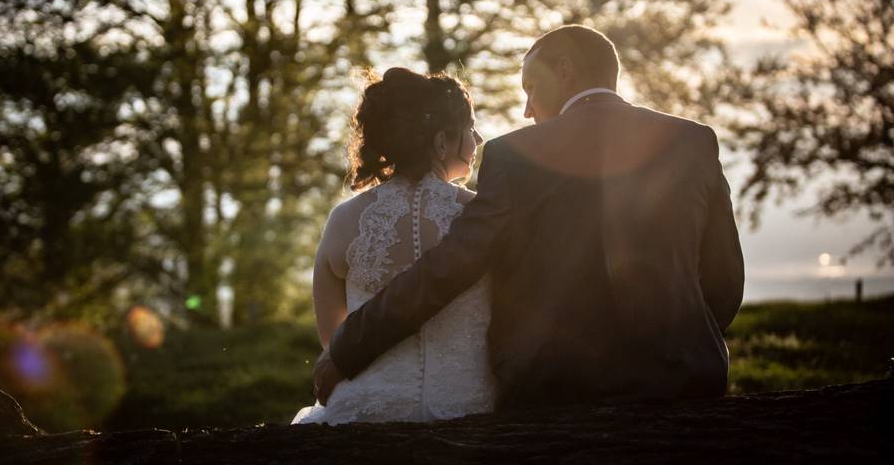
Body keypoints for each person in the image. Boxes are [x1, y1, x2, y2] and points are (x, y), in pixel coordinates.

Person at [314, 24, 744, 409]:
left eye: (531, 89)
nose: (526, 110)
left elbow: (449, 268)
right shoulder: (692, 140)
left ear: (564, 70)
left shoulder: (515, 156)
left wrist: (347, 347)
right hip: (685, 380)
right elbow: (725, 280)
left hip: (557, 389)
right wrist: (677, 340)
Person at [292, 67, 493, 424]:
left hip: (365, 410)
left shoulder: (344, 220)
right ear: (441, 141)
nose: (477, 139)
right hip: (467, 407)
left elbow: (332, 341)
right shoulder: (481, 213)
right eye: (469, 128)